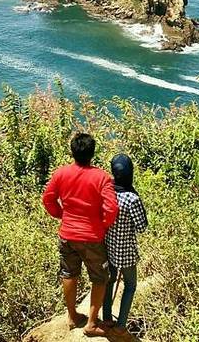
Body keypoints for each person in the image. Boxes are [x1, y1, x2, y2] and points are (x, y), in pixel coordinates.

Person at [42, 132, 118, 337]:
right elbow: (111, 209)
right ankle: (92, 324)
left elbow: (48, 199)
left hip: (67, 234)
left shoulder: (61, 174)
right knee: (100, 278)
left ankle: (72, 316)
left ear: (72, 152)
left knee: (69, 274)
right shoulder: (102, 177)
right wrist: (101, 225)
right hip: (92, 237)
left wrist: (61, 215)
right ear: (92, 153)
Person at [102, 154, 149, 335]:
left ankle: (106, 318)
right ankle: (121, 325)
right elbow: (142, 226)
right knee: (130, 285)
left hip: (109, 248)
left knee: (109, 282)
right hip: (127, 252)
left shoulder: (107, 192)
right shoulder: (132, 199)